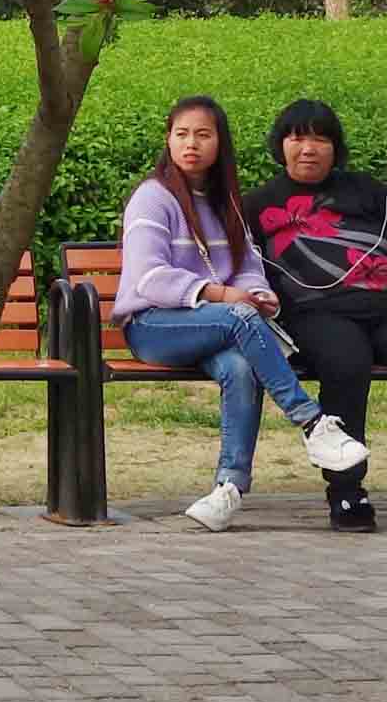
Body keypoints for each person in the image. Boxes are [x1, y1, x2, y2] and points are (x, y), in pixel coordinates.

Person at [117, 94, 370, 531]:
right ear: (168, 141)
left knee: (240, 366)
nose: (191, 144)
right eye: (181, 135)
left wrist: (258, 294)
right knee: (241, 319)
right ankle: (312, 424)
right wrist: (222, 295)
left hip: (211, 326)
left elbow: (248, 266)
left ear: (220, 143)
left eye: (202, 135)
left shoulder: (224, 201)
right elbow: (148, 278)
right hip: (154, 325)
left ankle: (228, 489)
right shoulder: (152, 198)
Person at [248, 99, 387, 532]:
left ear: (336, 148)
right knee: (346, 363)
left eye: (320, 138)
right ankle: (346, 492)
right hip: (315, 315)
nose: (308, 148)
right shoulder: (258, 204)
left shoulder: (365, 191)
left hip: (385, 313)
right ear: (281, 145)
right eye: (297, 137)